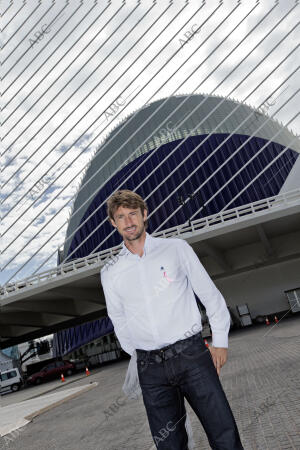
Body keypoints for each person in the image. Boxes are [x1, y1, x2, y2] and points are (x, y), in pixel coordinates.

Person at [100, 189, 244, 449]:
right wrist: (140, 354)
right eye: (121, 217)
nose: (129, 221)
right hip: (151, 369)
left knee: (223, 433)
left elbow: (210, 296)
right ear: (113, 223)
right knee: (169, 445)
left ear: (145, 214)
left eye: (134, 214)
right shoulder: (111, 272)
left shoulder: (175, 249)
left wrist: (220, 341)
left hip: (192, 357)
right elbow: (118, 318)